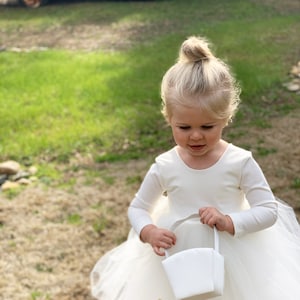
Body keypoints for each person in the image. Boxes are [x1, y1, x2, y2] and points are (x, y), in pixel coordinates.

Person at [90, 36, 300, 300]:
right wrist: (149, 231)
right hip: (177, 254)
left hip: (234, 257)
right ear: (169, 119)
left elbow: (268, 210)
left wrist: (229, 221)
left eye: (207, 127)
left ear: (226, 118)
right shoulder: (165, 165)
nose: (196, 136)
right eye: (184, 127)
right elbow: (139, 207)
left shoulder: (240, 161)